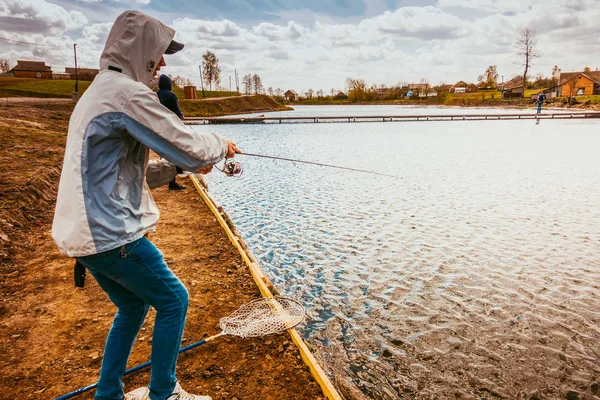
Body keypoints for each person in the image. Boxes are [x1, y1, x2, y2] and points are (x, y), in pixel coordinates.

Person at [52, 10, 239, 400]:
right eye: (160, 52)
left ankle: (108, 394)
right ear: (139, 49)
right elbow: (187, 143)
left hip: (85, 235)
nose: (164, 62)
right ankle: (164, 392)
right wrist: (222, 146)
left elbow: (122, 172)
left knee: (133, 307)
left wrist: (181, 168)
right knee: (174, 301)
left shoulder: (101, 91)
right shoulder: (124, 93)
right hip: (109, 235)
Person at [156, 74, 186, 191]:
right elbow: (177, 114)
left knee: (163, 153)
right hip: (171, 129)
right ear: (169, 85)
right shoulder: (171, 95)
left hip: (158, 128)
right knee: (173, 152)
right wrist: (182, 115)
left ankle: (163, 177)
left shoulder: (155, 95)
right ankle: (172, 181)